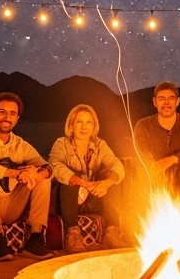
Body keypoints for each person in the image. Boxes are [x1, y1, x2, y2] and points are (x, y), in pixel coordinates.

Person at [0, 92, 54, 261]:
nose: (7, 117)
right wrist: (17, 173)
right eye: (2, 112)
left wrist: (38, 173)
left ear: (17, 118)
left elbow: (47, 166)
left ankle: (35, 238)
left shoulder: (21, 144)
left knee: (41, 176)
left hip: (13, 205)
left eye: (12, 113)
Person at [48, 104, 129, 253]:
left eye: (88, 122)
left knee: (112, 177)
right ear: (72, 125)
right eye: (79, 122)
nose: (84, 127)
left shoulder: (99, 145)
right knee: (68, 178)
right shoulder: (61, 143)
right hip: (65, 200)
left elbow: (115, 163)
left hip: (91, 198)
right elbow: (55, 165)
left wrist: (108, 182)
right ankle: (72, 235)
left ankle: (111, 232)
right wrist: (82, 183)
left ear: (94, 126)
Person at [131, 82, 180, 197]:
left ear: (177, 101)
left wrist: (172, 159)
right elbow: (140, 152)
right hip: (153, 176)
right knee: (142, 169)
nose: (166, 103)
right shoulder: (143, 125)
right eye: (161, 99)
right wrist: (156, 167)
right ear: (155, 102)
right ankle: (145, 210)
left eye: (171, 98)